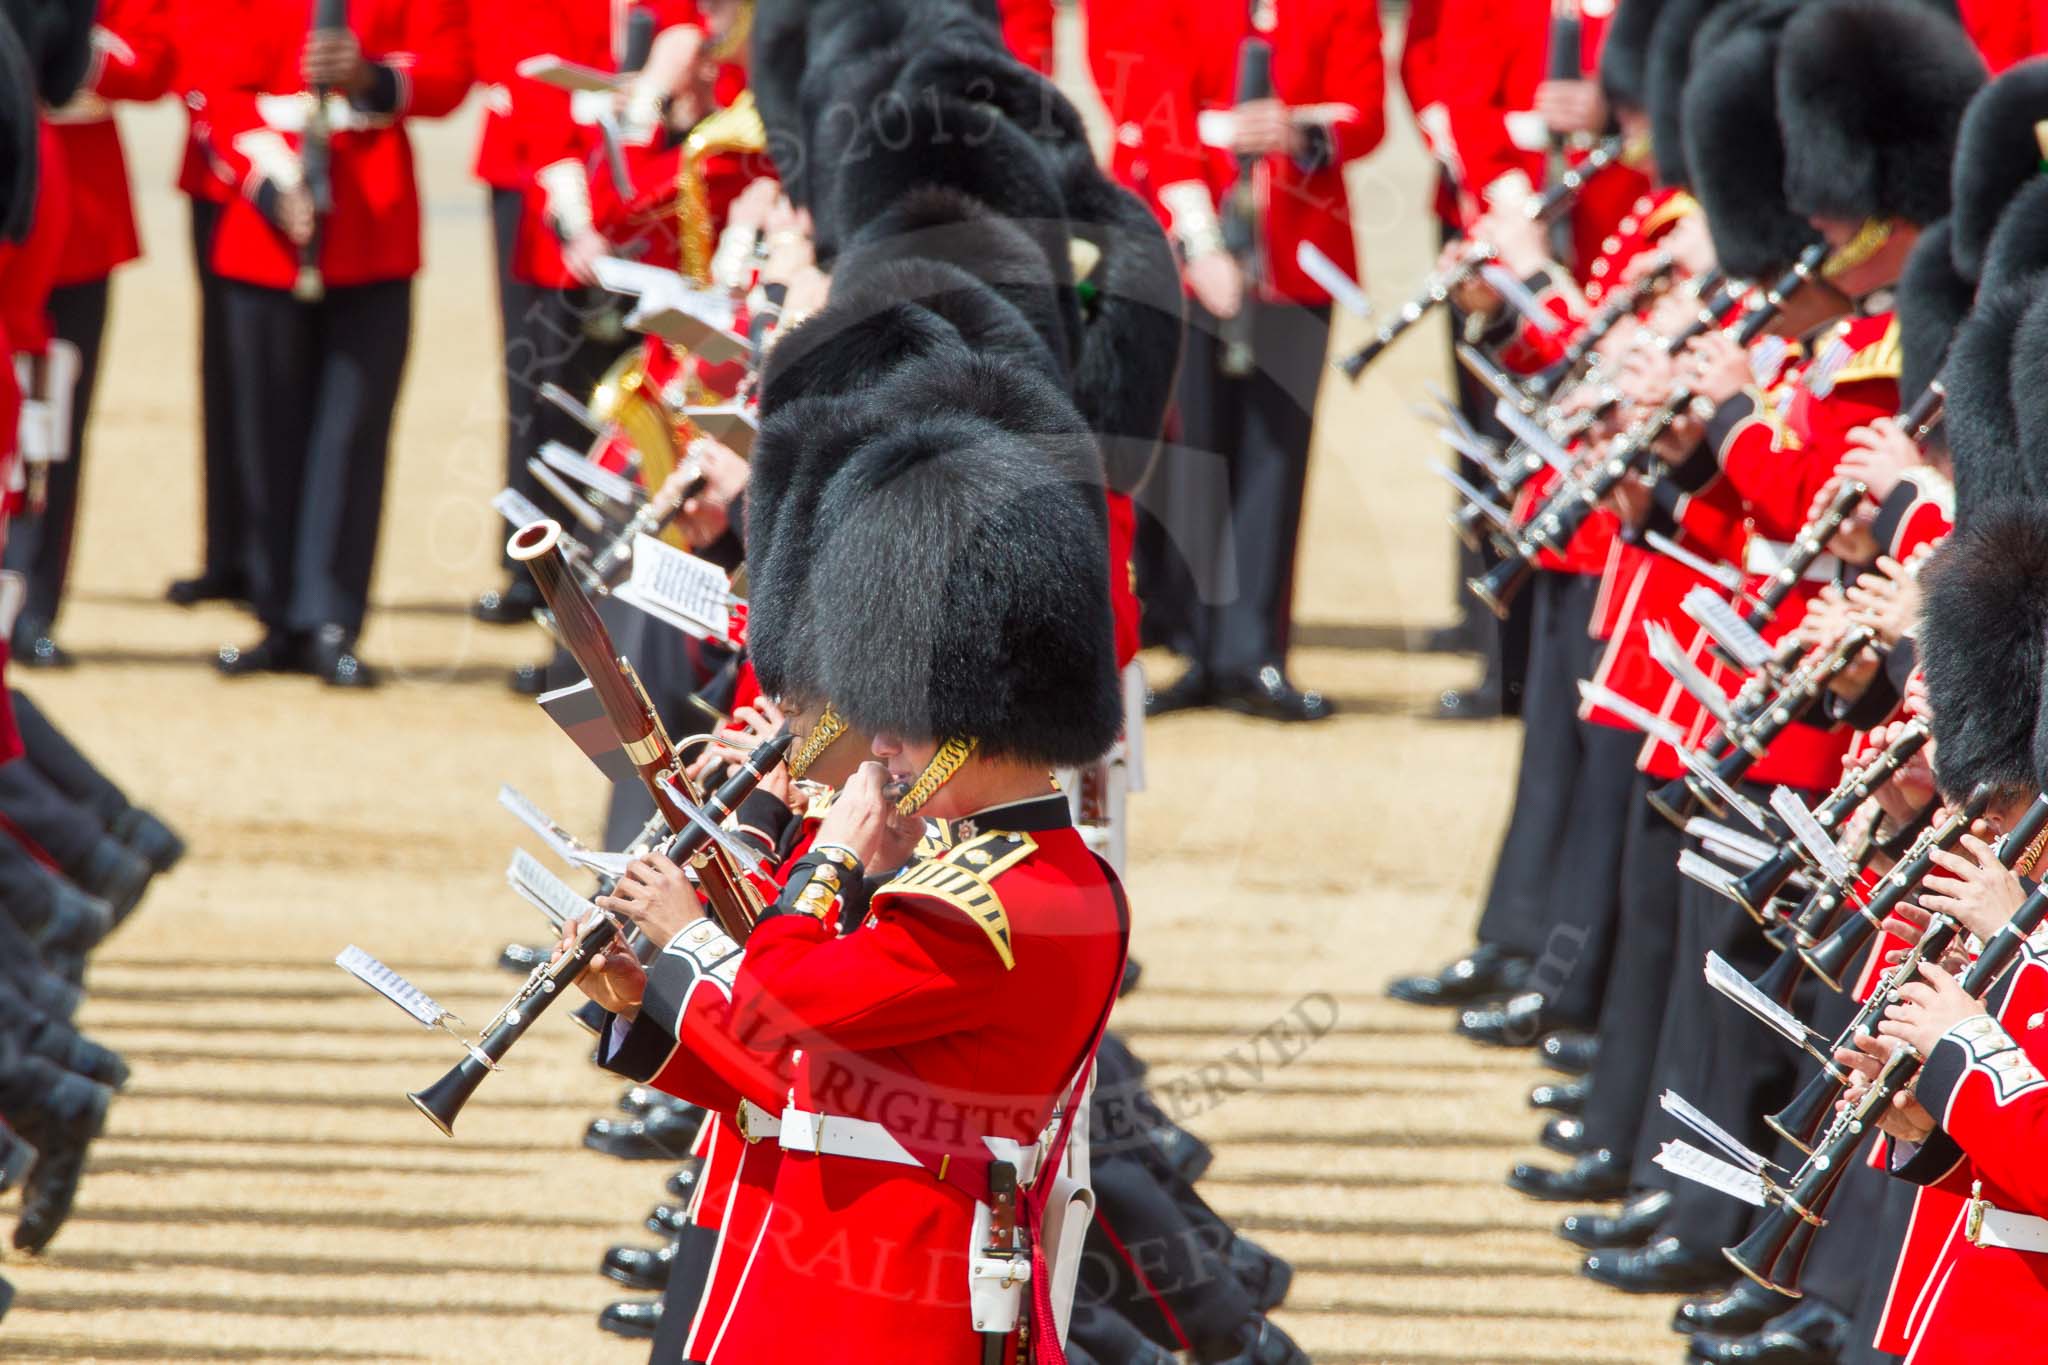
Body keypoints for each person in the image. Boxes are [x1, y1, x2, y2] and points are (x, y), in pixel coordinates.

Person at [1088, 0, 1386, 722]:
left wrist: (1299, 129)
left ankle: (1253, 649)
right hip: (1188, 236)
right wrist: (1200, 241)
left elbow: (1366, 109)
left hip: (1296, 248)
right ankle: (1193, 642)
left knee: (1274, 455)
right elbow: (1152, 104)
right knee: (1193, 448)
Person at [195, 0, 471, 687]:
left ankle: (331, 619)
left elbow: (450, 71)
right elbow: (212, 86)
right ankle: (276, 612)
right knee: (266, 433)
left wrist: (371, 77)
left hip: (372, 231)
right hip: (267, 234)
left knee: (351, 436)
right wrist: (271, 183)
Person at [5, 0, 172, 667]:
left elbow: (154, 60)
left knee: (55, 425)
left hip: (78, 204)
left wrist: (65, 67)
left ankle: (36, 600)